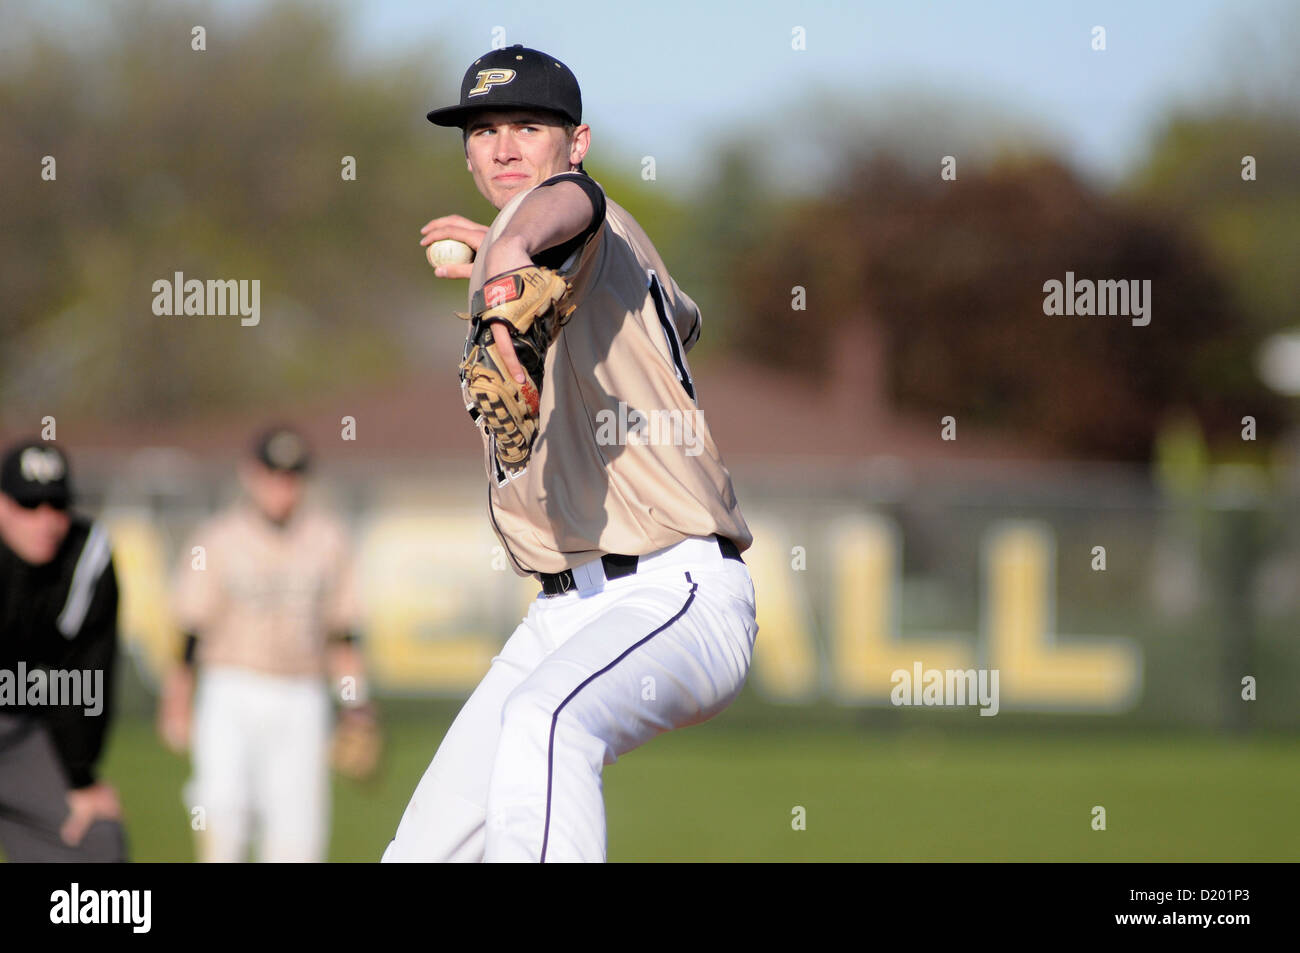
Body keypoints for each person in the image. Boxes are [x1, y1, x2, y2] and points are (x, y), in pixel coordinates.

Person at [383, 45, 758, 863]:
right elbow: (681, 316)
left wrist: (507, 250)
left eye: (528, 126)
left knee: (548, 720)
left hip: (672, 589)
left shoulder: (579, 214)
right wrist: (503, 250)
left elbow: (568, 205)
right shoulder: (572, 257)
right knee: (422, 849)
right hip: (561, 612)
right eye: (483, 131)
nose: (503, 147)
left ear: (577, 142)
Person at [157, 426, 371, 862]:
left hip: (301, 693)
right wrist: (177, 700)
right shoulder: (218, 539)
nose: (282, 486)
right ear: (250, 474)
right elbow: (190, 631)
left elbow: (343, 635)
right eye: (273, 473)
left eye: (292, 475)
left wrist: (356, 706)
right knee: (223, 818)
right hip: (231, 687)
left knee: (298, 837)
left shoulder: (328, 540)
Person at [0, 439, 126, 862]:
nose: (45, 520)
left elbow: (84, 672)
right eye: (28, 505)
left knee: (96, 838)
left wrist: (80, 776)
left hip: (20, 728)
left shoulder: (84, 555)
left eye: (56, 505)